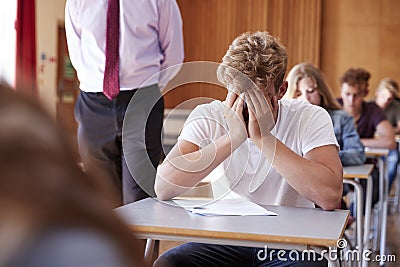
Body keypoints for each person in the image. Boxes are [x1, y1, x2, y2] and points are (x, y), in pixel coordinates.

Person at [154, 31, 342, 267]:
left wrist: (263, 138)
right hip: (222, 239)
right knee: (170, 263)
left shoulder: (309, 116)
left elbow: (330, 197)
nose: (243, 107)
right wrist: (233, 138)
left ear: (281, 91)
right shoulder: (208, 114)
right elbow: (163, 187)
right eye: (236, 95)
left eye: (255, 100)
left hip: (288, 243)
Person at [0, 83, 143, 267]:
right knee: (106, 186)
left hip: (140, 93)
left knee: (134, 191)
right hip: (93, 97)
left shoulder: (71, 251)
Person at [64, 0, 184, 205]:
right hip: (93, 102)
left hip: (142, 100)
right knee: (100, 195)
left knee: (139, 195)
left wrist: (148, 89)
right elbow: (77, 53)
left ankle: (139, 239)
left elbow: (174, 55)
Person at [285, 62, 365, 166]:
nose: (305, 98)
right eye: (298, 94)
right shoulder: (283, 120)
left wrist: (323, 157)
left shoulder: (342, 118)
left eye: (311, 91)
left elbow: (357, 154)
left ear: (321, 91)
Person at [338, 68, 397, 203]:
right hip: (337, 164)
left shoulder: (372, 110)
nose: (351, 100)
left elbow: (390, 141)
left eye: (356, 95)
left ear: (365, 93)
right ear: (341, 91)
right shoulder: (334, 107)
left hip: (364, 165)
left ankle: (354, 217)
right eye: (347, 94)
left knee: (375, 184)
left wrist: (357, 142)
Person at [374, 77, 400, 189]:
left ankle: (382, 192)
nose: (386, 101)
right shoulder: (369, 107)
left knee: (393, 158)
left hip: (387, 145)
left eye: (389, 98)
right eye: (383, 96)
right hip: (371, 145)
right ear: (377, 93)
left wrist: (385, 132)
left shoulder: (396, 107)